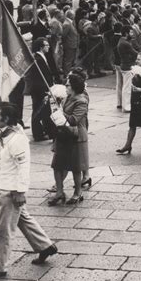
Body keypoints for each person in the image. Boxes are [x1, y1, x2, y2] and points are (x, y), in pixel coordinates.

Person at [0, 103, 58, 278]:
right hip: (8, 186)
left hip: (13, 191)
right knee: (23, 218)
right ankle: (45, 246)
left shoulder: (17, 139)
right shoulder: (9, 134)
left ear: (6, 119)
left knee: (4, 229)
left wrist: (20, 191)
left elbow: (23, 166)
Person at [48, 73, 89, 206]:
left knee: (76, 168)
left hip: (75, 136)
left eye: (68, 85)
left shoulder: (81, 101)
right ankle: (59, 192)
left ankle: (78, 193)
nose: (65, 86)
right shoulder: (67, 98)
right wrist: (55, 105)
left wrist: (58, 110)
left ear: (74, 87)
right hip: (63, 134)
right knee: (57, 165)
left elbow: (73, 120)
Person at [25, 37, 56, 142]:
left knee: (42, 111)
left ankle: (44, 132)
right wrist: (45, 89)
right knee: (41, 111)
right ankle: (43, 134)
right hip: (40, 90)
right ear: (41, 47)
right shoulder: (38, 59)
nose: (48, 47)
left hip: (41, 88)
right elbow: (38, 77)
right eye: (46, 45)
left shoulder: (42, 57)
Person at [117, 26, 139, 113]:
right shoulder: (126, 43)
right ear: (126, 33)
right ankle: (126, 106)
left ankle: (125, 104)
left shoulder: (122, 41)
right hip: (128, 66)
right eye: (131, 32)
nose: (132, 34)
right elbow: (135, 53)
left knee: (125, 86)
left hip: (124, 65)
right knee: (127, 87)